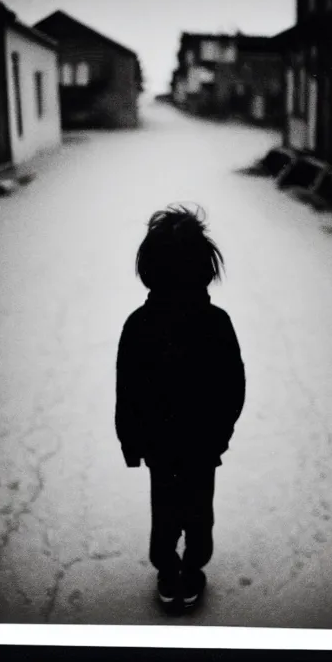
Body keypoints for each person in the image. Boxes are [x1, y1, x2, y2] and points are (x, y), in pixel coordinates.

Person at [115, 204, 246, 610]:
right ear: (205, 268)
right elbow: (233, 388)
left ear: (149, 269)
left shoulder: (139, 324)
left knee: (166, 511)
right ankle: (192, 569)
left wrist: (132, 442)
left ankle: (169, 571)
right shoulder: (216, 322)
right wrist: (220, 433)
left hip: (160, 446)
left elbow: (128, 391)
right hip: (201, 446)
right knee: (198, 511)